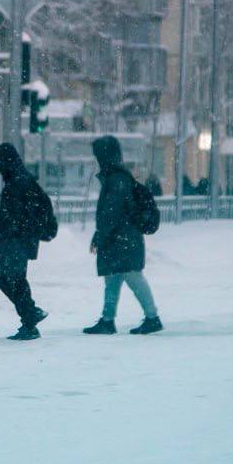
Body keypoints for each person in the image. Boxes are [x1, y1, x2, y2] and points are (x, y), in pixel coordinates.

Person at [83, 135, 162, 336]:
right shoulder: (116, 176)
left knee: (132, 276)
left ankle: (152, 318)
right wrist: (99, 235)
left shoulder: (116, 179)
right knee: (113, 278)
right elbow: (110, 214)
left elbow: (111, 213)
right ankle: (107, 320)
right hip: (122, 239)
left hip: (122, 239)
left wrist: (101, 236)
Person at [0, 142, 54, 341]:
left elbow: (8, 218)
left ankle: (30, 315)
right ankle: (29, 318)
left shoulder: (17, 183)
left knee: (5, 277)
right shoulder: (23, 178)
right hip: (23, 239)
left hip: (17, 239)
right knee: (14, 278)